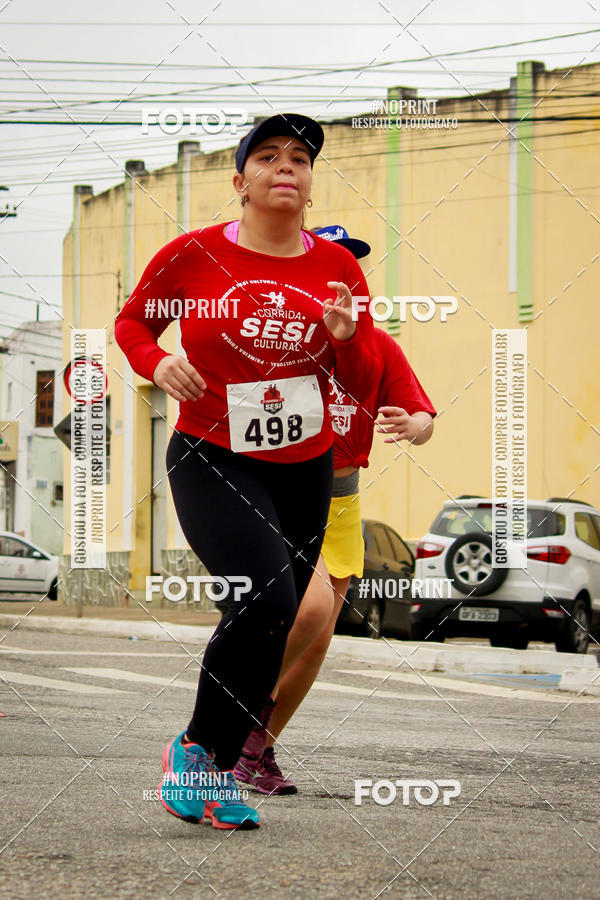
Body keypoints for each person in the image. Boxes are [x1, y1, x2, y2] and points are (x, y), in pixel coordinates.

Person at [114, 117, 380, 830]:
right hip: (213, 454)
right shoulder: (193, 256)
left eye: (299, 158)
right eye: (268, 157)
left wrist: (349, 340)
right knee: (262, 600)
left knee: (276, 618)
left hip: (304, 464)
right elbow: (134, 325)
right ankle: (195, 749)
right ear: (241, 183)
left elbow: (355, 378)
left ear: (311, 184)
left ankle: (223, 768)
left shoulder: (338, 270)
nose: (286, 167)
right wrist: (156, 362)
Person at [233, 226, 436, 795]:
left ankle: (258, 749)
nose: (338, 285)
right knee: (309, 612)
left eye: (349, 271)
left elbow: (422, 417)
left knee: (319, 639)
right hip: (280, 495)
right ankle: (228, 719)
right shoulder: (279, 343)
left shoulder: (377, 348)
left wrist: (414, 425)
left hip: (342, 504)